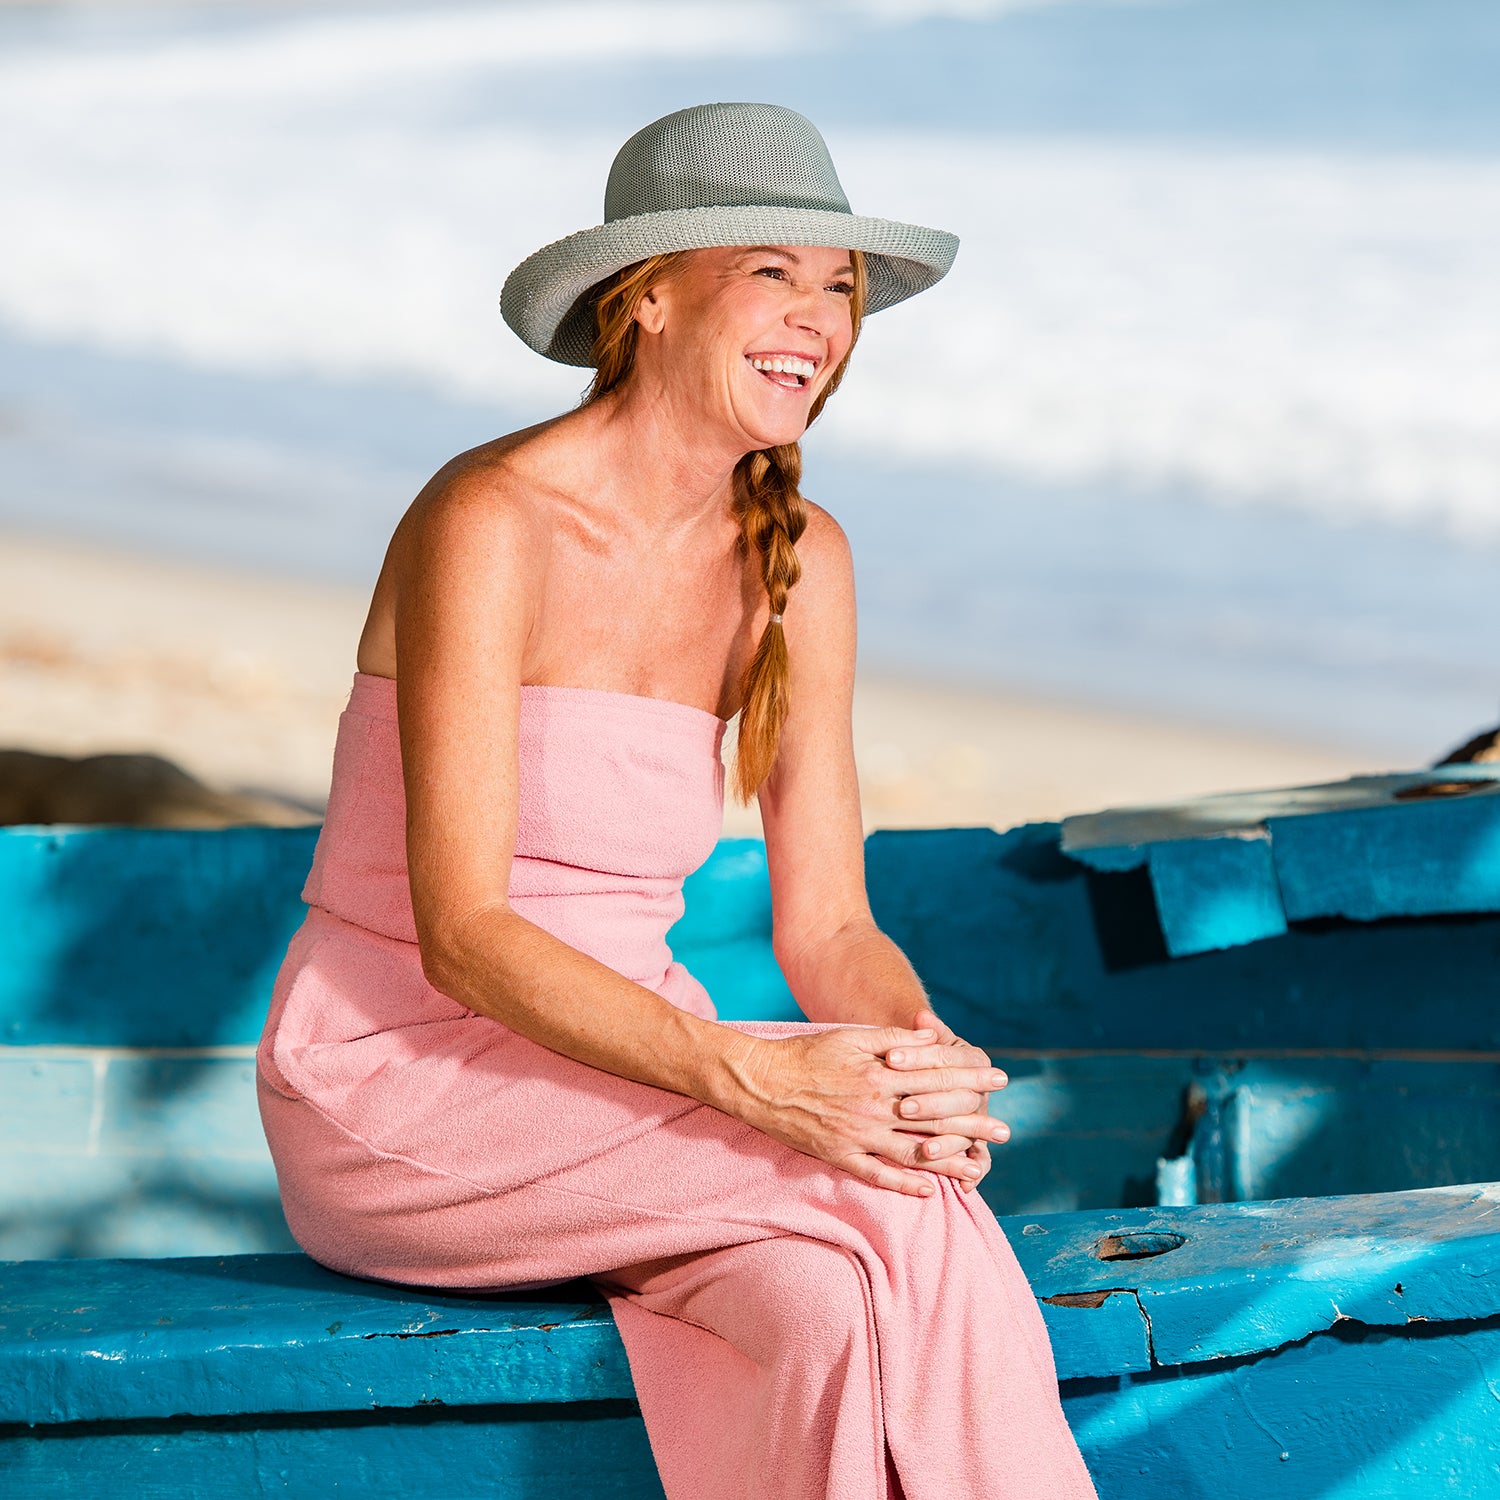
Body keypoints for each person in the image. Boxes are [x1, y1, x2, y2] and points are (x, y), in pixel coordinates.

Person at [257, 102, 1096, 1500]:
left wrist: (910, 1059)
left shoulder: (801, 563)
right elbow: (462, 933)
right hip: (400, 1080)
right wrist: (758, 1077)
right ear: (646, 294)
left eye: (841, 287)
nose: (818, 319)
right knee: (904, 1214)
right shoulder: (489, 520)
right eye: (774, 270)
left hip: (637, 1082)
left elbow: (828, 925)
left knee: (837, 1298)